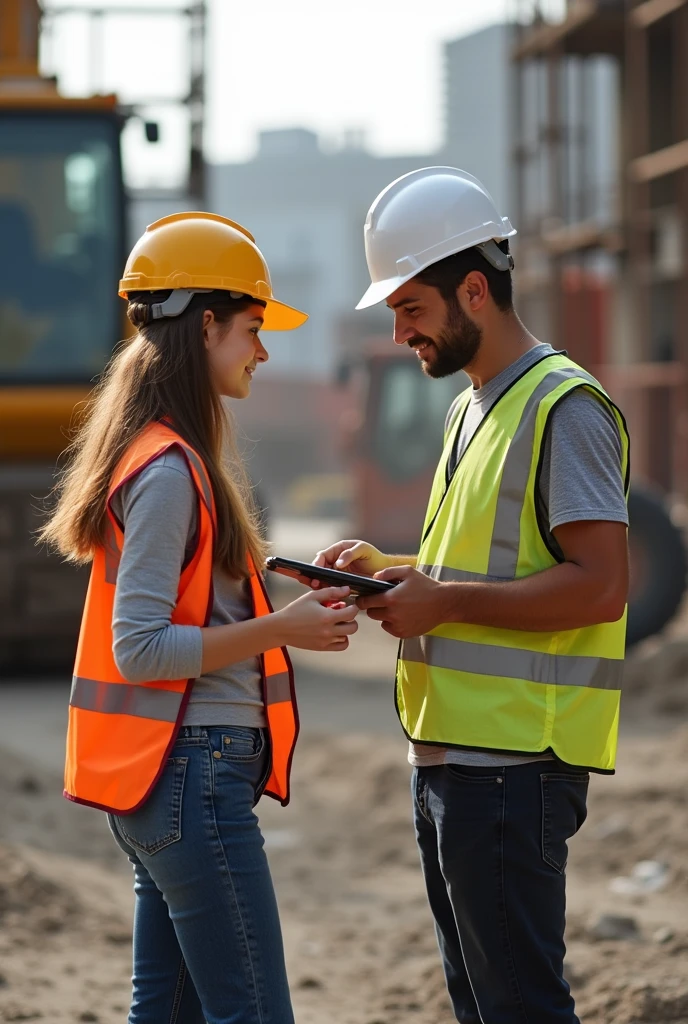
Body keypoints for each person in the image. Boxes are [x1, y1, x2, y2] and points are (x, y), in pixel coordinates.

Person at [315, 168, 629, 1024]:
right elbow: (482, 563)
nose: (399, 329)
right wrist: (391, 568)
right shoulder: (472, 408)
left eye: (411, 308)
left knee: (520, 1008)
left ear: (476, 291)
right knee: (483, 1006)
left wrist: (444, 602)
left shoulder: (564, 408)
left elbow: (602, 586)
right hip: (454, 762)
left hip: (514, 769)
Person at [39, 211, 359, 1024]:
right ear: (206, 323)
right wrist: (282, 629)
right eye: (253, 328)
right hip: (191, 779)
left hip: (171, 781)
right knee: (252, 1012)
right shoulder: (170, 471)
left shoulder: (165, 456)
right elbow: (142, 648)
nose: (263, 350)